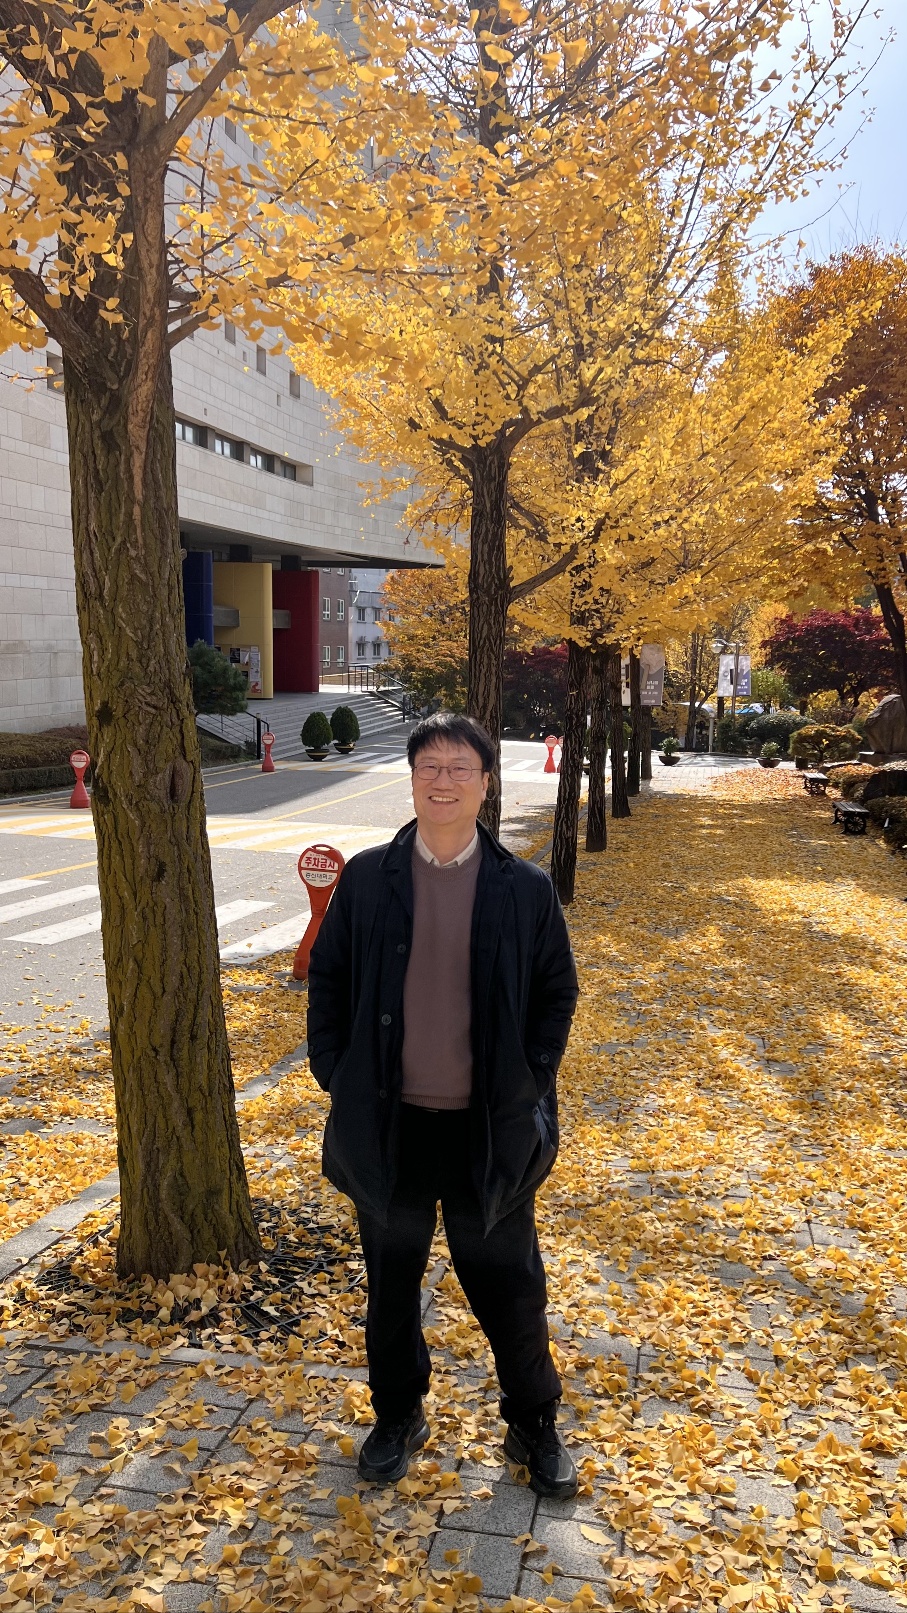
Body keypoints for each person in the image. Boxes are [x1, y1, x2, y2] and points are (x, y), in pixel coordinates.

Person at [306, 712, 579, 1496]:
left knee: (509, 1286)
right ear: (412, 778)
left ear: (486, 783)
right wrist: (336, 1069)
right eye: (429, 765)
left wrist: (529, 1077)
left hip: (486, 1130)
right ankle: (397, 1414)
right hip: (387, 1127)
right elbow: (328, 976)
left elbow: (556, 991)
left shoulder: (522, 888)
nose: (443, 780)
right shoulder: (368, 878)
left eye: (460, 767)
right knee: (391, 1286)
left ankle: (533, 1423)